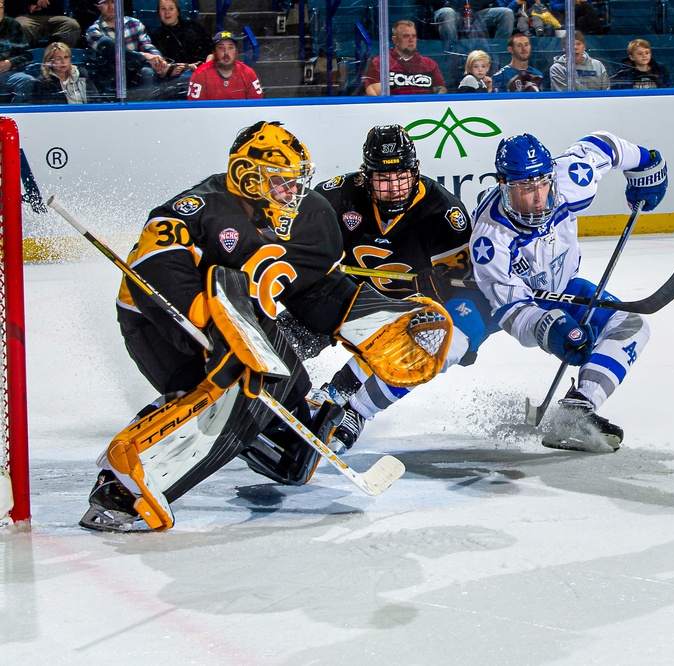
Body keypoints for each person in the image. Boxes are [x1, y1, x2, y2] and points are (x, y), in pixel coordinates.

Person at [79, 121, 452, 532]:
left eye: (297, 182)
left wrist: (374, 318)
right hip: (160, 322)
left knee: (296, 450)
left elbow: (321, 291)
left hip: (249, 328)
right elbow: (153, 270)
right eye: (282, 183)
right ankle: (118, 485)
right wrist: (214, 325)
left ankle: (259, 433)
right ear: (248, 176)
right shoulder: (198, 208)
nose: (293, 192)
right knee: (227, 389)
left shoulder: (311, 216)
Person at [470, 132, 667, 450]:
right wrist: (548, 329)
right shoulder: (490, 238)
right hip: (514, 302)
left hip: (564, 287)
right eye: (524, 188)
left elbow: (603, 146)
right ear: (504, 186)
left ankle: (576, 411)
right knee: (457, 343)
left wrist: (646, 162)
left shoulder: (571, 178)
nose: (537, 197)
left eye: (542, 184)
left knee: (632, 326)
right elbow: (511, 311)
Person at [304, 125, 497, 451]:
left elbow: (467, 287)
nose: (393, 187)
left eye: (402, 177)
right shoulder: (339, 195)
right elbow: (292, 236)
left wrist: (439, 285)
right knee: (305, 312)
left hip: (405, 310)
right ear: (366, 176)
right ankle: (266, 372)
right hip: (347, 294)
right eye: (383, 178)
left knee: (401, 332)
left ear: (416, 171)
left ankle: (340, 395)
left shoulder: (442, 213)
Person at [85, 0, 168, 93]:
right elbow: (115, 55)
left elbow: (147, 46)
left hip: (135, 72)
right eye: (105, 2)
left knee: (147, 73)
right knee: (106, 42)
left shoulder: (135, 24)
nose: (110, 6)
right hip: (111, 76)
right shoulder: (93, 31)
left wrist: (158, 60)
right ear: (98, 6)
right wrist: (143, 57)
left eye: (113, 2)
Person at [362, 20, 446, 95]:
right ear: (395, 40)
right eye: (406, 36)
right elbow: (375, 94)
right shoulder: (380, 62)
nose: (411, 40)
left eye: (413, 36)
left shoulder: (429, 64)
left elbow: (441, 90)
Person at [187, 30, 263, 100]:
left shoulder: (248, 74)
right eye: (221, 48)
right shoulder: (200, 74)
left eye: (230, 48)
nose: (226, 52)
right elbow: (195, 110)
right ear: (214, 52)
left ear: (236, 51)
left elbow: (257, 107)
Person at [150, 0, 212, 74]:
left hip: (204, 68)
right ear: (159, 13)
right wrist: (186, 67)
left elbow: (211, 48)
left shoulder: (194, 26)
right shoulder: (155, 36)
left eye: (171, 8)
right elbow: (161, 63)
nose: (167, 12)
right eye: (163, 9)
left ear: (178, 12)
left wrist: (206, 65)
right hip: (179, 74)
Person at [429, 0, 514, 44]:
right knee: (447, 12)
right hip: (451, 13)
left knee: (507, 13)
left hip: (475, 13)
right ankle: (452, 53)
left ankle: (499, 51)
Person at [0, 2, 35, 103]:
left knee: (26, 80)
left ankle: (18, 115)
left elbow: (27, 55)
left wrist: (10, 63)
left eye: (0, 7)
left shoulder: (12, 25)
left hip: (6, 75)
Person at [8, 0, 80, 48]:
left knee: (72, 25)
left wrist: (45, 2)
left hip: (54, 15)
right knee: (21, 25)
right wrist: (33, 2)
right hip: (26, 15)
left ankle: (62, 56)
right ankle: (22, 57)